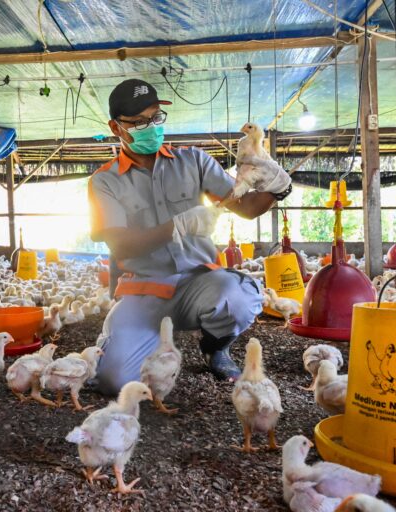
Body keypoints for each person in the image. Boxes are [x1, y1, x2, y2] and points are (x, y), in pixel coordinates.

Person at [88, 79, 292, 395]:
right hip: (144, 291)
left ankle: (215, 347)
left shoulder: (193, 161)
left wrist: (278, 188)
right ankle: (124, 340)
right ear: (116, 128)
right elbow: (120, 245)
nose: (151, 127)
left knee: (238, 296)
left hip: (199, 283)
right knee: (115, 380)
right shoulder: (105, 181)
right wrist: (177, 226)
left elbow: (246, 207)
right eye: (139, 122)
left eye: (155, 117)